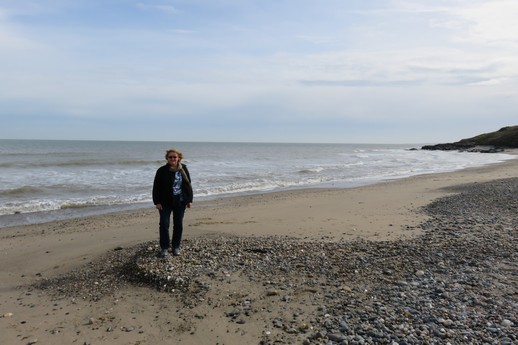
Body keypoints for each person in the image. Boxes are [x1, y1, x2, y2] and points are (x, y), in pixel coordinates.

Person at [152, 148, 193, 257]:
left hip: (180, 201)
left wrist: (189, 200)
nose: (172, 159)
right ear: (167, 158)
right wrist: (157, 202)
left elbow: (188, 185)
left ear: (178, 158)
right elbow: (156, 187)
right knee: (164, 224)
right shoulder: (161, 170)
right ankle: (164, 248)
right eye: (170, 157)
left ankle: (176, 247)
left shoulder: (183, 169)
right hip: (165, 202)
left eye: (174, 157)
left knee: (178, 224)